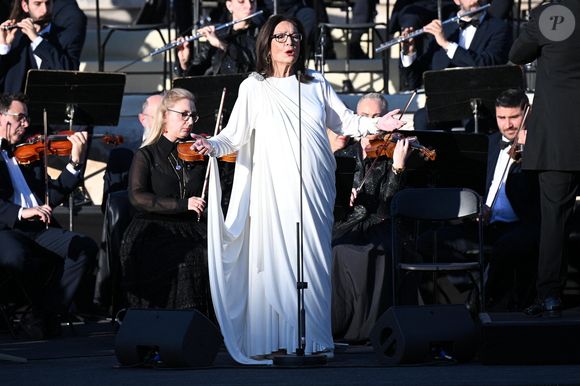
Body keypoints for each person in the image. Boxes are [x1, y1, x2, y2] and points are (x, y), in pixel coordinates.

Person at [191, 16, 405, 364]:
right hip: (272, 187)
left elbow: (345, 121)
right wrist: (210, 145)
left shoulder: (316, 83)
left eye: (294, 36)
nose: (290, 42)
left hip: (314, 184)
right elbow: (233, 135)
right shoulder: (254, 86)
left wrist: (378, 123)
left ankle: (315, 339)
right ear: (267, 43)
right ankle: (276, 339)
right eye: (281, 36)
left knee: (313, 260)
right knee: (275, 260)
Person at [417, 89, 540, 311]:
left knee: (507, 247)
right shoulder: (488, 143)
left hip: (522, 224)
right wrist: (476, 207)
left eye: (514, 117)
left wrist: (531, 149)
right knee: (429, 241)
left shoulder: (539, 145)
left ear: (527, 114)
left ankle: (487, 303)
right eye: (501, 118)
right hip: (486, 224)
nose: (508, 124)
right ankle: (456, 304)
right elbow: (469, 182)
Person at [0, 93, 97, 338]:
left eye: (27, 118)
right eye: (19, 117)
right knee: (18, 257)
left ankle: (48, 312)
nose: (25, 123)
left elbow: (50, 199)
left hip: (36, 228)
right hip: (5, 228)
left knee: (83, 247)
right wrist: (22, 212)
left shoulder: (27, 151)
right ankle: (23, 313)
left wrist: (74, 163)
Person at [509, 0, 580, 317]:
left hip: (559, 137)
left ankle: (550, 295)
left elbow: (517, 55)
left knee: (554, 219)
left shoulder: (555, 13)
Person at [119, 88, 213, 317]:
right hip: (155, 229)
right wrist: (184, 204)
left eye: (193, 116)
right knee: (189, 258)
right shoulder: (147, 155)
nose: (189, 121)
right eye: (183, 115)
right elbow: (138, 197)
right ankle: (177, 324)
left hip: (194, 228)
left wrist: (216, 153)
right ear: (165, 116)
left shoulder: (199, 153)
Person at [331, 93, 412, 343]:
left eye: (377, 117)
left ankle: (369, 327)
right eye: (365, 117)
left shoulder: (396, 153)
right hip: (349, 224)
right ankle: (339, 324)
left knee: (375, 250)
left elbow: (389, 205)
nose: (372, 123)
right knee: (337, 249)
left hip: (382, 224)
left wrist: (398, 168)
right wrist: (344, 196)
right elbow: (333, 206)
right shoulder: (343, 157)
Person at [399, 0, 510, 111]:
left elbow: (486, 65)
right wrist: (409, 53)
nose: (476, 0)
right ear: (457, 1)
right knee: (421, 119)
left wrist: (447, 44)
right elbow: (414, 81)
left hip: (479, 105)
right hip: (442, 104)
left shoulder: (498, 28)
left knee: (472, 124)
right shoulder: (443, 29)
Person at [0, 0, 83, 94]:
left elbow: (70, 72)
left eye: (47, 3)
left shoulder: (67, 36)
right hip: (16, 105)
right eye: (37, 4)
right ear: (25, 6)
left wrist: (37, 40)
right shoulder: (14, 37)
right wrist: (3, 47)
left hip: (52, 103)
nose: (44, 10)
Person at [175, 0, 262, 77]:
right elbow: (195, 75)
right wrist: (184, 63)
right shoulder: (218, 34)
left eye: (252, 1)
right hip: (218, 91)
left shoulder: (262, 33)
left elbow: (252, 64)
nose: (249, 6)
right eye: (241, 1)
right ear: (229, 5)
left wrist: (221, 45)